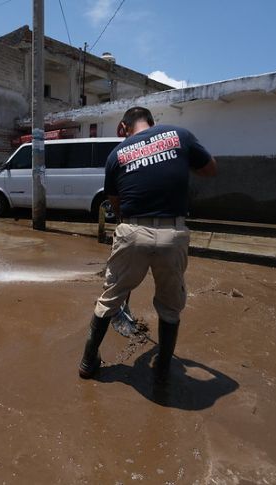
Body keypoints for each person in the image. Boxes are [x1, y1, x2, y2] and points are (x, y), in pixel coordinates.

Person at [79, 106, 218, 383]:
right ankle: (163, 370)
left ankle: (87, 362)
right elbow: (210, 169)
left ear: (123, 128)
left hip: (132, 231)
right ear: (152, 122)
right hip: (172, 233)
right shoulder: (180, 135)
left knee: (109, 298)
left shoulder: (117, 154)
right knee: (169, 306)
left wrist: (132, 230)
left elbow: (114, 201)